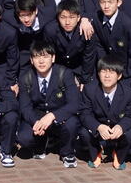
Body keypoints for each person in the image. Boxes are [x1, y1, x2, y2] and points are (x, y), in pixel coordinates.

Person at [17, 40, 83, 168]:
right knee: (24, 138)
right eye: (37, 57)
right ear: (31, 60)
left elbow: (74, 103)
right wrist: (36, 122)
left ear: (53, 58)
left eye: (45, 56)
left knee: (72, 123)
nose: (41, 61)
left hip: (59, 116)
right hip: (38, 116)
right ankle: (41, 144)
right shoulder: (25, 77)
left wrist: (52, 116)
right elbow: (25, 107)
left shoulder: (65, 74)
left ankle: (67, 153)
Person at [79, 55, 131, 170]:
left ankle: (118, 154)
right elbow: (85, 113)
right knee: (83, 132)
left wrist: (121, 127)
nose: (107, 76)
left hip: (117, 129)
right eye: (103, 71)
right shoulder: (90, 89)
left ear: (119, 76)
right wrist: (98, 126)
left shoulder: (129, 92)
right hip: (98, 130)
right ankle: (96, 151)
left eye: (111, 72)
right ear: (98, 73)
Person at [42, 0, 97, 86]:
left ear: (78, 18)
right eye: (63, 17)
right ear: (58, 17)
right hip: (59, 68)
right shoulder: (50, 30)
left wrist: (84, 79)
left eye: (72, 17)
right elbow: (49, 54)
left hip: (80, 68)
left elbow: (89, 57)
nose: (67, 22)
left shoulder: (87, 29)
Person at [92, 0, 131, 81]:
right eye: (102, 2)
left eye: (110, 2)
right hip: (105, 68)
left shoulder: (128, 24)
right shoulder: (97, 18)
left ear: (119, 3)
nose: (106, 6)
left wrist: (127, 76)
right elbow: (99, 45)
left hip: (125, 71)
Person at [8, 0, 48, 80]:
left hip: (42, 50)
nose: (26, 19)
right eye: (22, 16)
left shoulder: (48, 14)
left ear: (36, 11)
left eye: (29, 15)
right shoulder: (9, 17)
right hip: (23, 52)